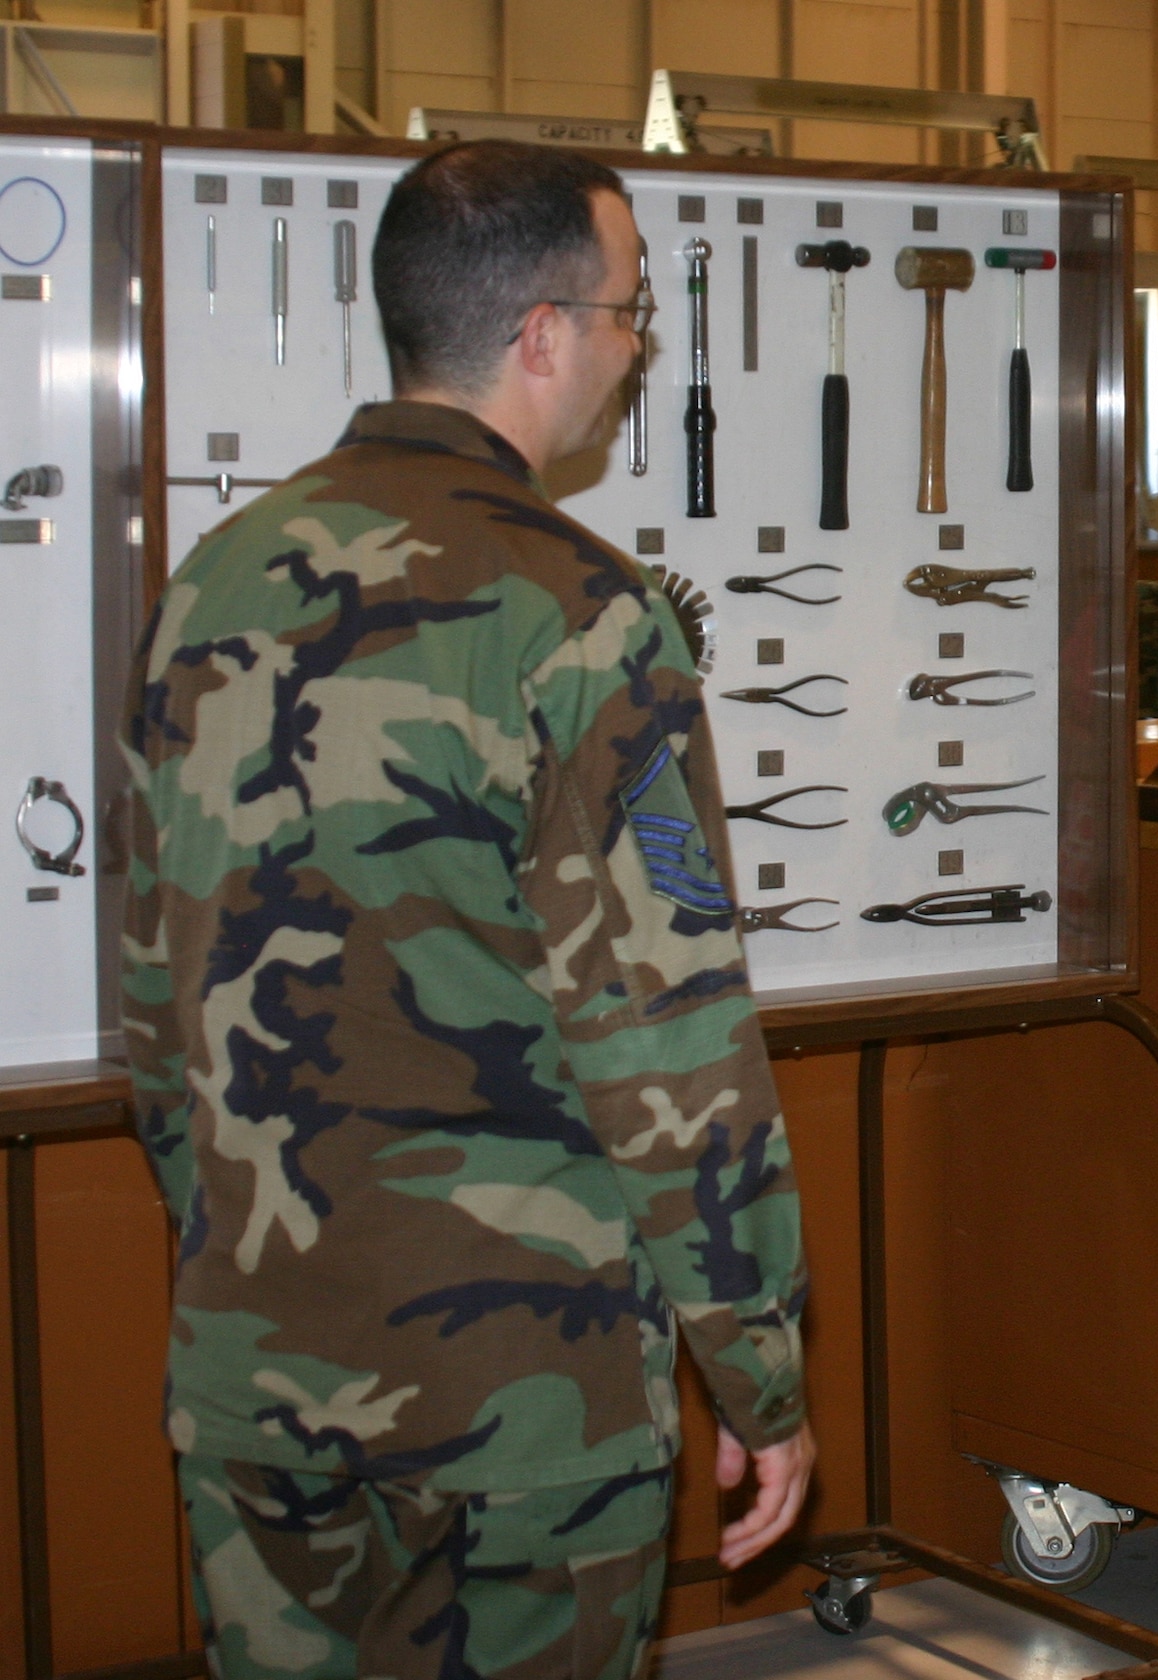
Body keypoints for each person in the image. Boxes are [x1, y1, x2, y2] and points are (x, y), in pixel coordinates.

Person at [120, 139, 813, 1678]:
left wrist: (240, 1246)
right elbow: (672, 1044)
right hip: (526, 1396)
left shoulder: (211, 586)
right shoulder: (584, 618)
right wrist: (759, 1372)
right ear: (545, 334)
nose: (636, 357)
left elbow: (153, 993)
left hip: (260, 1361)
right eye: (632, 315)